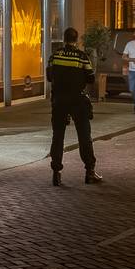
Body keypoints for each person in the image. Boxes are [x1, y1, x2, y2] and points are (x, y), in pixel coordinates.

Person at [47, 27, 101, 186]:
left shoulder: (55, 56)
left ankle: (56, 173)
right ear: (76, 40)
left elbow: (50, 77)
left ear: (63, 39)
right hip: (77, 100)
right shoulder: (82, 57)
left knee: (58, 136)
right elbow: (91, 78)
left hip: (59, 100)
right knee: (84, 136)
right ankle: (89, 172)